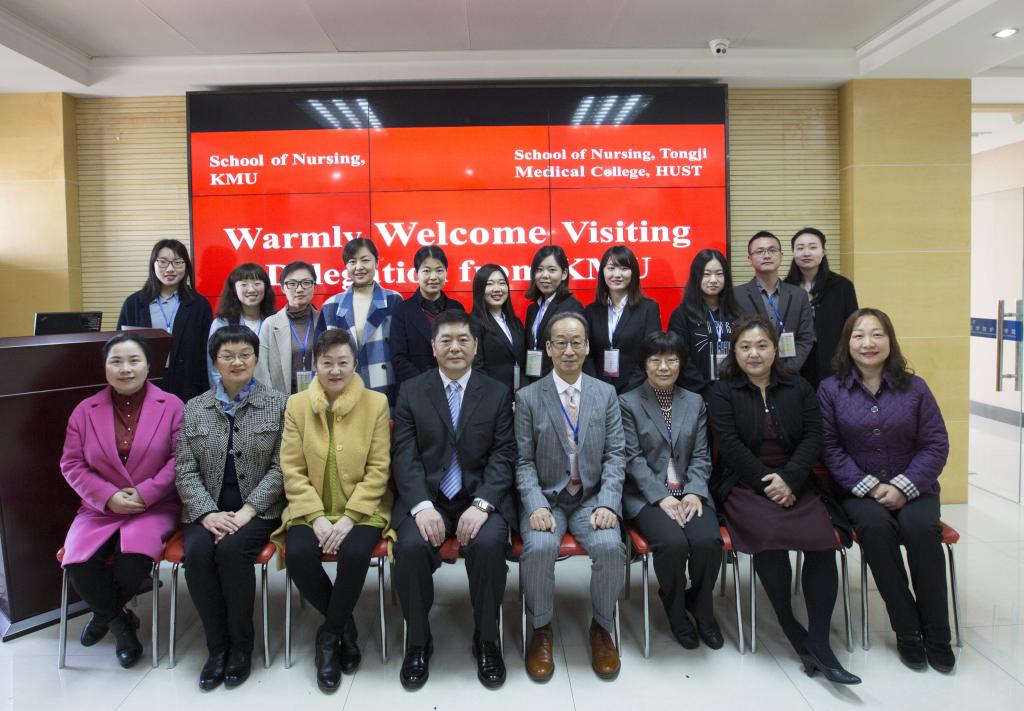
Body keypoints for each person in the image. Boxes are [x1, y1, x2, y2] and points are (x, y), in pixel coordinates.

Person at [706, 315, 859, 685]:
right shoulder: (722, 391)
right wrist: (768, 484)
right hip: (744, 484)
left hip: (796, 481)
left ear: (776, 349)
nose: (754, 354)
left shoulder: (799, 387)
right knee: (769, 536)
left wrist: (789, 479)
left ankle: (819, 641)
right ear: (734, 352)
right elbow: (731, 447)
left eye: (762, 346)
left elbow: (813, 437)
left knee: (822, 540)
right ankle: (791, 626)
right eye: (745, 347)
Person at [819, 308, 953, 673]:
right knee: (875, 529)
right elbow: (830, 449)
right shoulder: (831, 390)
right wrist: (872, 487)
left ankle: (937, 634)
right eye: (859, 335)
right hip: (858, 491)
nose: (868, 343)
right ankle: (907, 629)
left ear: (890, 340)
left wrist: (903, 487)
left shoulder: (915, 388)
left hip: (916, 487)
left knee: (920, 529)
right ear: (847, 343)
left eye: (877, 334)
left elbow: (935, 444)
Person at [391, 310, 517, 690]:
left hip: (478, 497)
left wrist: (482, 505)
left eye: (463, 339)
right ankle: (418, 640)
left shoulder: (496, 392)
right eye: (445, 340)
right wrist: (421, 506)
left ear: (476, 346)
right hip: (429, 498)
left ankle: (487, 639)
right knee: (410, 548)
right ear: (433, 347)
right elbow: (405, 455)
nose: (455, 347)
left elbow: (504, 455)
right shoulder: (412, 391)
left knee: (490, 545)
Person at [272, 329, 394, 692]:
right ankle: (345, 627)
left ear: (355, 363)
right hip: (310, 508)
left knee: (355, 553)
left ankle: (328, 637)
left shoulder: (376, 403)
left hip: (363, 509)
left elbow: (379, 469)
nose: (335, 370)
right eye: (327, 363)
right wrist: (315, 517)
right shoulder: (296, 405)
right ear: (315, 365)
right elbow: (291, 468)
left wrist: (350, 517)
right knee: (298, 554)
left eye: (343, 362)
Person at [59, 333, 183, 668]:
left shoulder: (172, 405)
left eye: (133, 361)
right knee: (78, 563)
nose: (125, 369)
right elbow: (71, 463)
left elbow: (181, 459)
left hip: (152, 505)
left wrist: (146, 492)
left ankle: (105, 616)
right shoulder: (85, 411)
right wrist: (108, 496)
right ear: (105, 368)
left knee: (133, 562)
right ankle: (121, 623)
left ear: (148, 366)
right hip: (99, 507)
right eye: (116, 361)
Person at [515, 312, 626, 682]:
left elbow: (615, 455)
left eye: (576, 342)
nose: (568, 350)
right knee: (539, 547)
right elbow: (523, 461)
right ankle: (541, 629)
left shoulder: (605, 394)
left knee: (610, 546)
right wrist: (535, 504)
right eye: (560, 343)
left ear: (588, 346)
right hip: (547, 498)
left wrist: (608, 502)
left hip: (591, 498)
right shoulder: (528, 398)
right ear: (548, 348)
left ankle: (602, 628)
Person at [176, 325, 287, 691]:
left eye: (244, 355)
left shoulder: (279, 404)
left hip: (258, 510)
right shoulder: (195, 408)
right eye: (227, 356)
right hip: (206, 509)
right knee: (197, 554)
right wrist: (207, 513)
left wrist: (248, 510)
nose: (237, 362)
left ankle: (241, 646)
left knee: (232, 551)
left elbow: (282, 467)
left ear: (256, 359)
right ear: (215, 363)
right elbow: (184, 469)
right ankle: (217, 646)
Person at [618, 331, 723, 650]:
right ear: (644, 364)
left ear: (681, 363)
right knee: (673, 544)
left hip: (690, 491)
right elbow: (632, 459)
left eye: (671, 360)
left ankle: (702, 608)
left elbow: (702, 455)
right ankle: (675, 608)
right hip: (647, 495)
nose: (663, 367)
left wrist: (693, 492)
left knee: (708, 541)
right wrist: (662, 497)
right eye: (655, 360)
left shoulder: (694, 401)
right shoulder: (628, 402)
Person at [116, 239, 213, 401]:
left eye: (177, 262)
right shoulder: (134, 303)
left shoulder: (199, 305)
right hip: (143, 381)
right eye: (163, 262)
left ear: (186, 266)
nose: (170, 269)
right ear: (153, 264)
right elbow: (120, 346)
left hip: (188, 384)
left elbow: (207, 352)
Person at [315, 238, 404, 405]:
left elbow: (403, 352)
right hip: (343, 393)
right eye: (352, 262)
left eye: (365, 260)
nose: (359, 267)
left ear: (377, 262)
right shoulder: (331, 306)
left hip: (386, 390)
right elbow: (319, 356)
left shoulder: (393, 300)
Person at [783, 227, 859, 388]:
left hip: (834, 361)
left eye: (813, 247)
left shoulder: (842, 286)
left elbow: (853, 327)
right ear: (793, 253)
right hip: (796, 361)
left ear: (824, 251)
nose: (806, 253)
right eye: (800, 248)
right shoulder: (785, 287)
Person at [585, 246, 662, 394]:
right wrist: (597, 386)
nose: (617, 274)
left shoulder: (649, 309)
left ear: (633, 272)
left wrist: (630, 390)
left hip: (636, 391)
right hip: (598, 391)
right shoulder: (591, 311)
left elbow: (651, 353)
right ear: (603, 272)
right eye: (611, 268)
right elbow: (587, 354)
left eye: (624, 268)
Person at [734, 231, 814, 371]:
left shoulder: (799, 295)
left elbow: (806, 338)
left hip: (789, 374)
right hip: (749, 372)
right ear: (749, 259)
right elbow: (733, 338)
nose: (766, 255)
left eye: (772, 250)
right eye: (760, 251)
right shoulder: (736, 295)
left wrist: (788, 370)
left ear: (781, 256)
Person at [391, 246, 466, 386]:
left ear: (446, 272)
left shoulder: (457, 308)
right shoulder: (402, 310)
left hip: (454, 386)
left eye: (439, 270)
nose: (433, 277)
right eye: (426, 271)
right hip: (417, 388)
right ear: (416, 274)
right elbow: (399, 359)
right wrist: (428, 384)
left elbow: (465, 350)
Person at [667, 248, 740, 396]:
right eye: (706, 274)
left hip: (734, 390)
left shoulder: (737, 313)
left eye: (719, 274)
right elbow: (679, 357)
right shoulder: (681, 315)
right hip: (696, 393)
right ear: (696, 277)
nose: (713, 280)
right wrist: (704, 389)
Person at [255, 260, 320, 396]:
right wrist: (271, 401)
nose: (299, 289)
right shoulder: (270, 324)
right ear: (282, 288)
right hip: (281, 400)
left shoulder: (323, 321)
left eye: (306, 283)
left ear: (314, 287)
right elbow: (261, 371)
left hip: (319, 399)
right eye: (292, 283)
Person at [523, 245, 585, 383]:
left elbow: (576, 351)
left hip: (560, 382)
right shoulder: (533, 309)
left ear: (564, 274)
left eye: (552, 270)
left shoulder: (572, 307)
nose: (545, 275)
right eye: (539, 270)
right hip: (533, 381)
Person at [208, 263, 276, 386]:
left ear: (266, 287)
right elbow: (214, 367)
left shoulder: (274, 322)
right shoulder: (222, 323)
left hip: (269, 392)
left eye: (257, 283)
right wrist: (225, 394)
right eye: (244, 284)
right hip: (232, 392)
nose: (251, 289)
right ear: (234, 288)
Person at [470, 263, 526, 394]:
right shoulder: (473, 323)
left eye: (502, 283)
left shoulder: (515, 322)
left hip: (520, 396)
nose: (497, 289)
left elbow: (521, 361)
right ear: (479, 289)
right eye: (489, 284)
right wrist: (497, 399)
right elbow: (477, 369)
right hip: (493, 397)